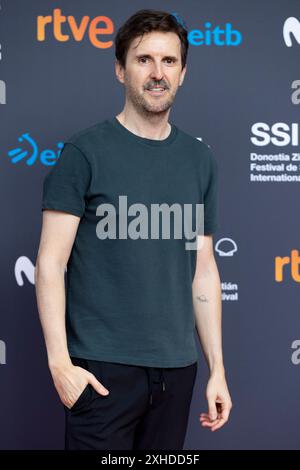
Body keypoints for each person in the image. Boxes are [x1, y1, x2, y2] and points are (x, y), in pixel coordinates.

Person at [35, 9, 232, 450]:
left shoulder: (200, 161)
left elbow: (203, 271)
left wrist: (217, 368)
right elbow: (50, 263)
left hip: (177, 372)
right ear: (120, 69)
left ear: (183, 73)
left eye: (169, 61)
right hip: (101, 372)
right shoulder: (84, 153)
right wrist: (59, 364)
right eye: (144, 60)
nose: (157, 73)